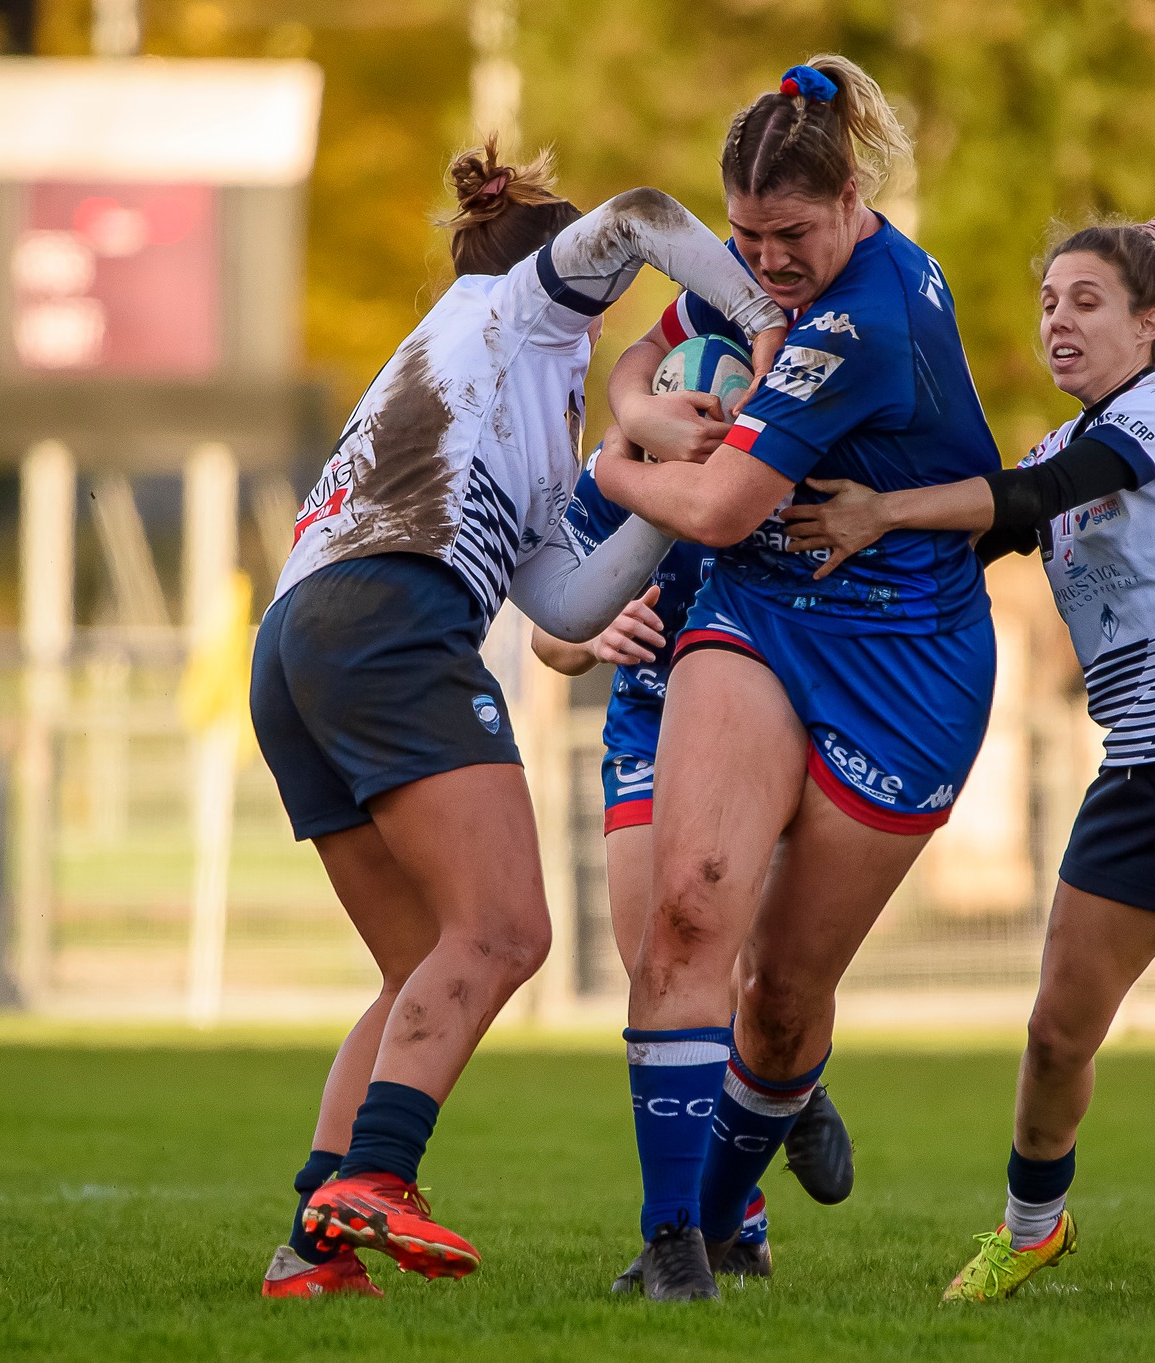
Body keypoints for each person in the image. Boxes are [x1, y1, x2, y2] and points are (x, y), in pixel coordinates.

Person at [251, 139, 787, 1299]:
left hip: (298, 637)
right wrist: (762, 327)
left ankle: (314, 1244)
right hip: (392, 616)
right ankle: (381, 1176)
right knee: (506, 934)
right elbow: (643, 213)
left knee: (420, 969)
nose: (602, 325)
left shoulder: (498, 398)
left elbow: (566, 599)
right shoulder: (515, 308)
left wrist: (666, 488)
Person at [783, 213, 1155, 1312]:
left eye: (1085, 302)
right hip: (1136, 774)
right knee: (1053, 1032)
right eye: (1048, 303)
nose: (1057, 320)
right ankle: (1032, 1230)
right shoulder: (1048, 450)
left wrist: (880, 508)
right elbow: (965, 535)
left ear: (1150, 323)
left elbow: (1029, 501)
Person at [585, 56, 1002, 1302]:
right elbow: (636, 359)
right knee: (690, 907)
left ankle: (721, 1213)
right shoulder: (749, 265)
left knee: (781, 998)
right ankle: (671, 1243)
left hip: (909, 660)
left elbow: (712, 507)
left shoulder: (864, 323)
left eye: (791, 237)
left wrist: (614, 470)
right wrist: (643, 416)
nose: (762, 262)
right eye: (745, 234)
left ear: (853, 202)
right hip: (762, 617)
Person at [532, 449, 857, 1289]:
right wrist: (591, 631)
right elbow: (548, 632)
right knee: (657, 963)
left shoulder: (785, 469)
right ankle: (743, 1210)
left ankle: (776, 1089)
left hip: (762, 734)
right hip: (647, 729)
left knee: (743, 964)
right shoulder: (616, 482)